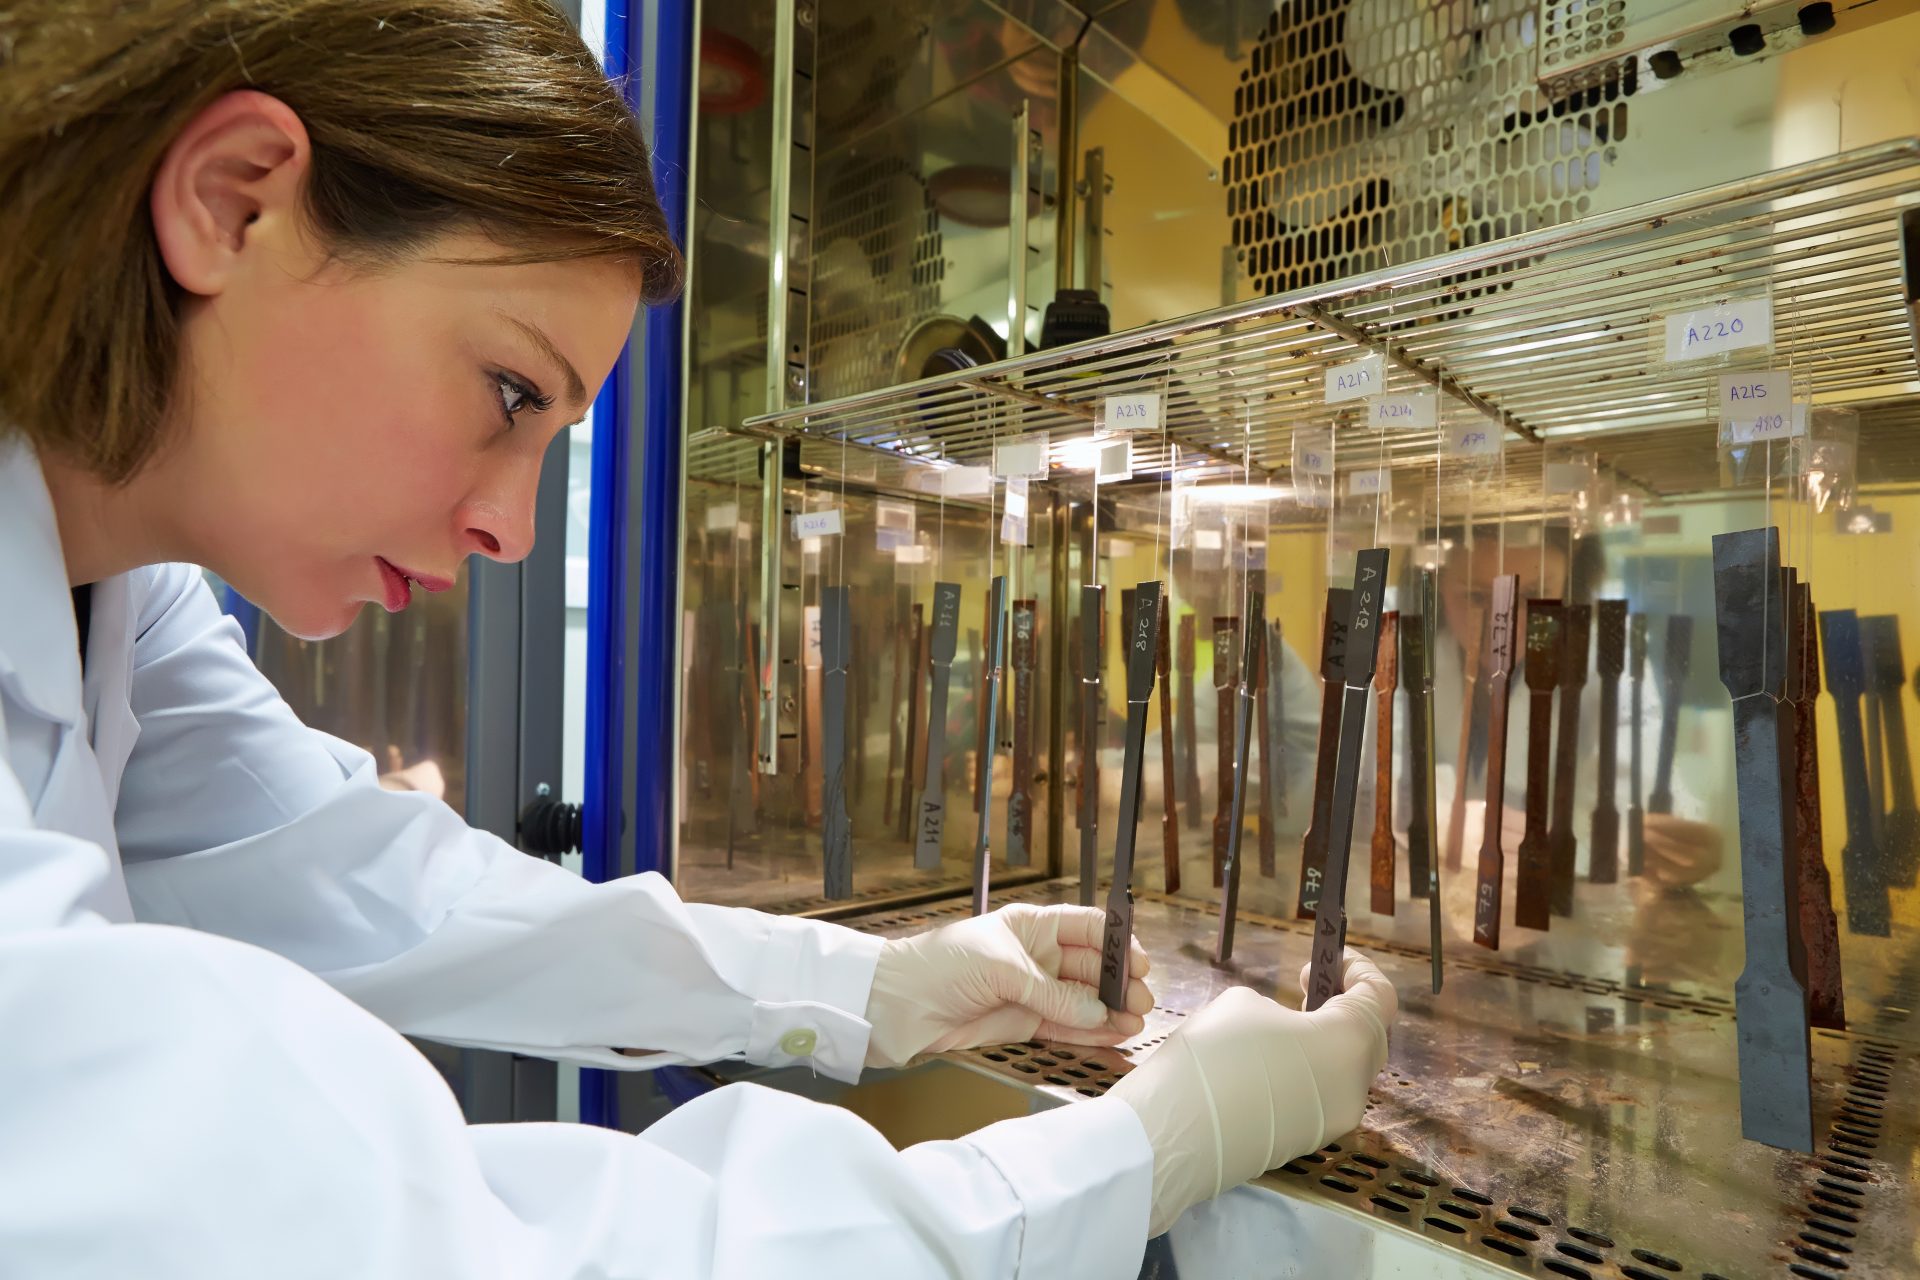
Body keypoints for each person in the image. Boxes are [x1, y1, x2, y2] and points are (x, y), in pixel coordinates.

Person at [0, 3, 1398, 1276]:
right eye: (509, 390)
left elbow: (369, 884)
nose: (512, 531)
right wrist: (1135, 1154)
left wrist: (870, 985)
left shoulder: (119, 599)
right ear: (235, 200)